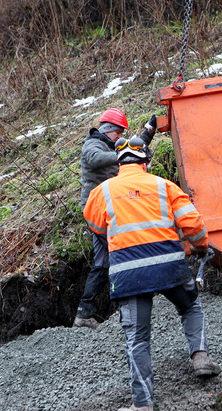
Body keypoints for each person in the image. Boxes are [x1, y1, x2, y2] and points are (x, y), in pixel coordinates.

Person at [82, 136, 221, 411]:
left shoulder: (102, 191)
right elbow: (193, 224)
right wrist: (200, 247)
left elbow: (96, 226)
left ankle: (143, 403)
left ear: (119, 163)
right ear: (146, 162)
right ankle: (201, 357)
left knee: (137, 337)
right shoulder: (164, 185)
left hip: (128, 275)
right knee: (190, 306)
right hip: (168, 265)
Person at [73, 109, 157, 328]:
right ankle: (127, 306)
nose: (121, 138)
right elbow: (96, 158)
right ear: (108, 130)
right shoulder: (93, 145)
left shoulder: (111, 145)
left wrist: (149, 131)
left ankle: (85, 312)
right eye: (119, 133)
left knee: (103, 262)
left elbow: (132, 147)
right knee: (121, 254)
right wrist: (123, 154)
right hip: (97, 211)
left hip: (107, 210)